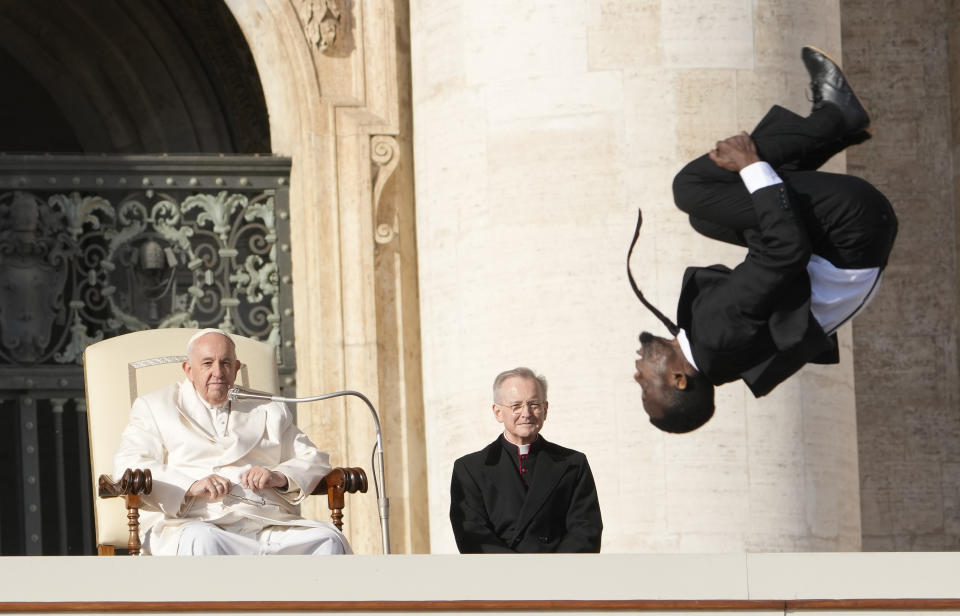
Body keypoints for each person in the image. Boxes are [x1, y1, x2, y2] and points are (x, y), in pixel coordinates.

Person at [633, 46, 898, 434]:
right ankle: (834, 120)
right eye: (645, 389)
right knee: (692, 188)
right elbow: (784, 252)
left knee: (706, 218)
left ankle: (839, 129)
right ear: (678, 379)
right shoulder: (716, 331)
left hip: (859, 244)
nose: (636, 377)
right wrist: (751, 166)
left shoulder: (721, 354)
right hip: (851, 225)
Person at [113, 328, 351, 555]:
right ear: (188, 370)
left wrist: (279, 476)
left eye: (226, 363)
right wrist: (190, 485)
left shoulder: (268, 408)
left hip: (265, 524)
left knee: (327, 541)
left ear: (236, 368)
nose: (218, 372)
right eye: (207, 363)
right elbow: (127, 465)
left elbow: (316, 460)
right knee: (202, 541)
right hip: (195, 522)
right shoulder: (156, 406)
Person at [449, 367, 602, 552]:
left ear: (545, 409)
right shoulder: (470, 469)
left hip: (558, 575)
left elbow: (585, 530)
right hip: (500, 575)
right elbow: (473, 536)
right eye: (516, 406)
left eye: (534, 404)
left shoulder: (573, 464)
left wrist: (555, 573)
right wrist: (518, 573)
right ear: (497, 412)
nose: (526, 413)